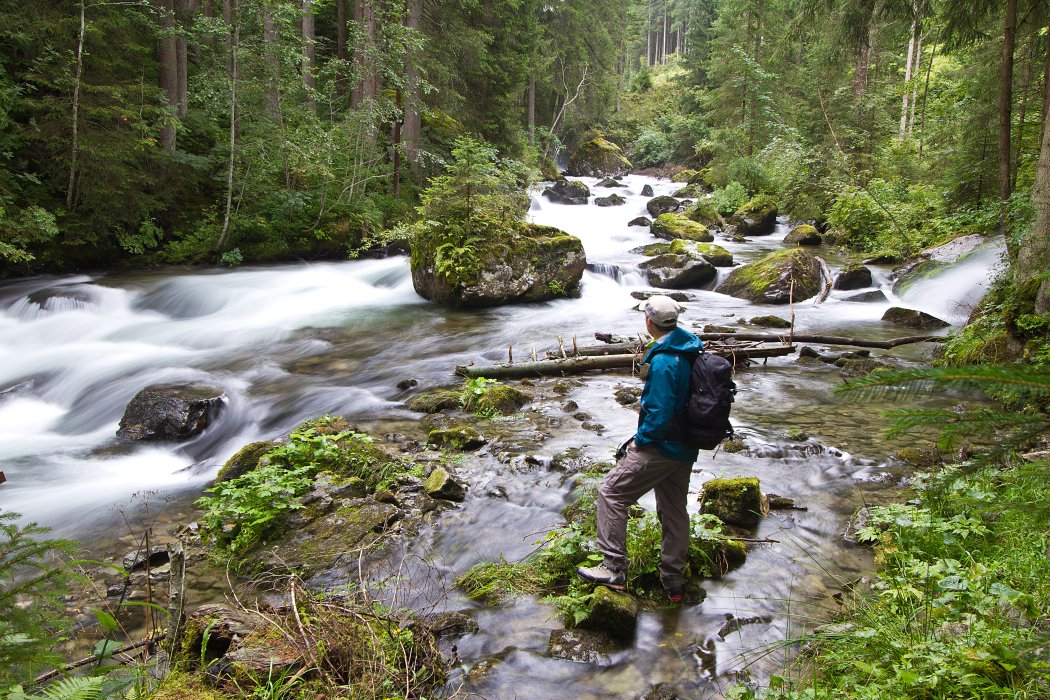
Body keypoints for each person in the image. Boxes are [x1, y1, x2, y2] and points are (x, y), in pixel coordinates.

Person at [576, 294, 701, 603]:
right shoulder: (689, 349)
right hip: (686, 446)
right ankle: (673, 579)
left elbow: (658, 413)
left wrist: (638, 443)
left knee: (611, 493)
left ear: (649, 323)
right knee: (673, 509)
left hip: (661, 446)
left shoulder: (663, 360)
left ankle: (614, 569)